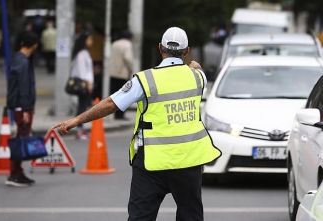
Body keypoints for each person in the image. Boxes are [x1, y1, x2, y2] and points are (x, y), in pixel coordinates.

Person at [53, 27, 222, 220]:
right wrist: (195, 67)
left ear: (160, 48)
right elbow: (197, 71)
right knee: (191, 216)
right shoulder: (198, 77)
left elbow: (111, 104)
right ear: (187, 50)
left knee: (140, 217)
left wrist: (76, 120)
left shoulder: (145, 80)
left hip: (152, 163)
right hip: (189, 161)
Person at [6, 32, 39, 187]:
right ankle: (15, 174)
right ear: (34, 45)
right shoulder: (23, 62)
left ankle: (17, 172)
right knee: (21, 138)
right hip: (22, 107)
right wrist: (27, 109)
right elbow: (24, 87)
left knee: (21, 136)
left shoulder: (17, 59)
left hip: (19, 105)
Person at [70, 34, 94, 140]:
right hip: (83, 84)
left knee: (83, 106)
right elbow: (82, 71)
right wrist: (88, 83)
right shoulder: (81, 54)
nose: (91, 41)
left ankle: (80, 128)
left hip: (86, 83)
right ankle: (79, 130)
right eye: (89, 39)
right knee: (82, 107)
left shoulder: (84, 53)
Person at [109, 30, 134, 120]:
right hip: (122, 73)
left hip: (112, 72)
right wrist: (131, 69)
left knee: (114, 94)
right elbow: (128, 58)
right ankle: (120, 115)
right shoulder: (128, 45)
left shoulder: (114, 44)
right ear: (130, 38)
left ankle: (115, 114)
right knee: (123, 95)